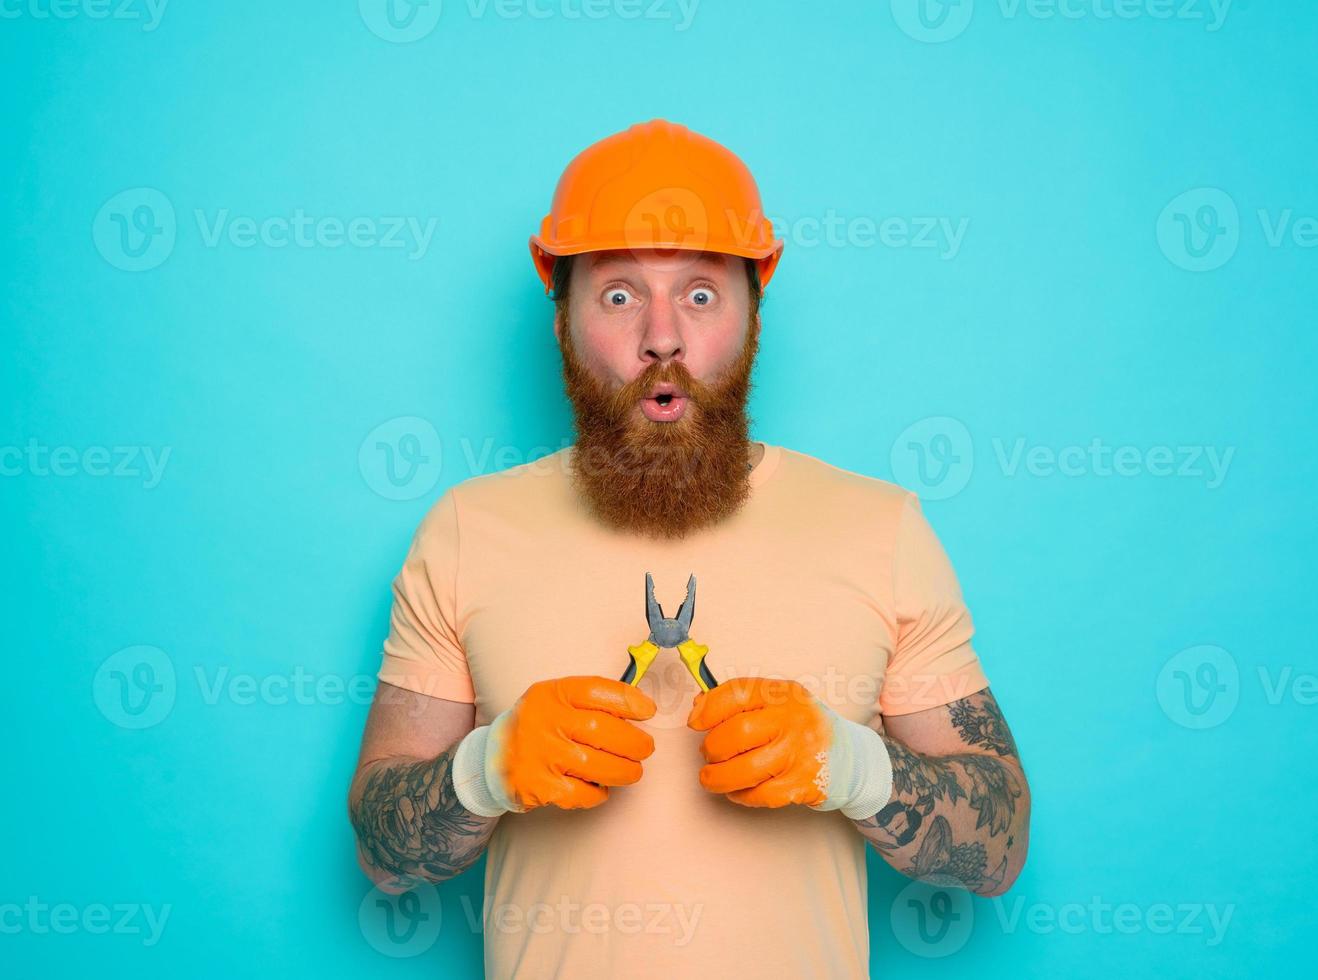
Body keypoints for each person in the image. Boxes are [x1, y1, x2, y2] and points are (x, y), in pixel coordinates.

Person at [348, 118, 1031, 977]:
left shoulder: (880, 528)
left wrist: (853, 766)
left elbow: (999, 851)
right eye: (620, 295)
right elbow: (383, 856)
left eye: (702, 294)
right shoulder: (465, 529)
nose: (662, 338)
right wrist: (483, 771)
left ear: (753, 318)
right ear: (561, 321)